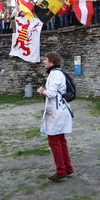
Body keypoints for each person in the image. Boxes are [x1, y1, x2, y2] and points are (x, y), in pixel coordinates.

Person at [37, 52, 74, 182]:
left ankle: (61, 171)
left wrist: (41, 90)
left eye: (46, 59)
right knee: (61, 140)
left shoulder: (54, 74)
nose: (44, 61)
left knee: (54, 141)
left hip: (57, 112)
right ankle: (67, 168)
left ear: (52, 61)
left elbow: (51, 93)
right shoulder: (58, 73)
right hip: (61, 110)